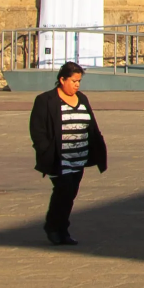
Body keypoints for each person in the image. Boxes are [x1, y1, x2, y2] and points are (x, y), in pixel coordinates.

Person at [29, 62, 106, 246]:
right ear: (62, 79)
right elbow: (37, 129)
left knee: (70, 194)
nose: (77, 85)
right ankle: (53, 228)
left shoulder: (82, 99)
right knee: (62, 192)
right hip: (58, 158)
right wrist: (45, 149)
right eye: (73, 81)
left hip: (78, 158)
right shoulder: (45, 100)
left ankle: (62, 230)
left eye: (79, 81)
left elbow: (91, 126)